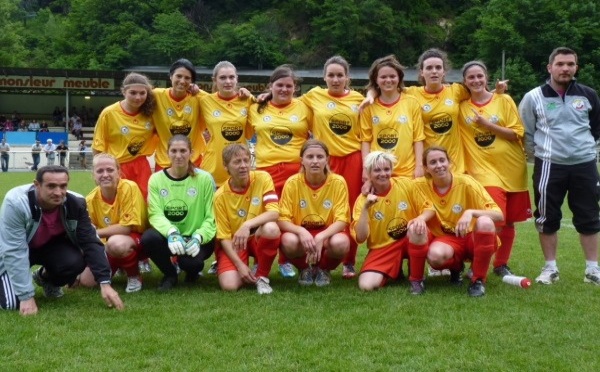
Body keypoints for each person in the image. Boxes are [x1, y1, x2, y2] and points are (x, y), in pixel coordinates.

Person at [519, 46, 600, 285]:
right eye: (560, 64)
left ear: (576, 67)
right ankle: (550, 268)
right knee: (547, 216)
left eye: (570, 64)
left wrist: (588, 153)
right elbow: (526, 133)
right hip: (549, 167)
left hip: (584, 166)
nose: (565, 69)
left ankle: (593, 270)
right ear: (549, 67)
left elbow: (596, 129)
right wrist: (541, 156)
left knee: (589, 216)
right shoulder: (534, 97)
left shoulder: (588, 95)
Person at [0, 166, 124, 315]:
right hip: (14, 250)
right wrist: (26, 295)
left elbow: (90, 241)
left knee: (74, 260)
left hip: (49, 248)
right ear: (37, 185)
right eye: (51, 186)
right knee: (11, 304)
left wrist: (105, 282)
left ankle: (45, 279)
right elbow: (14, 250)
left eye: (63, 186)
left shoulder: (76, 202)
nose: (58, 192)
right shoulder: (16, 202)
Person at [458, 61, 532, 277]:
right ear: (464, 81)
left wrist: (486, 124)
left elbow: (516, 134)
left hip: (513, 168)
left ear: (486, 77)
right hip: (483, 171)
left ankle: (501, 264)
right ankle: (477, 265)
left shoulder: (503, 99)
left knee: (508, 222)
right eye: (471, 77)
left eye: (479, 76)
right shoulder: (462, 107)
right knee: (491, 220)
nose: (476, 80)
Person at [300, 55, 365, 279]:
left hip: (352, 158)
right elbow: (286, 99)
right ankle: (313, 255)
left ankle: (349, 261)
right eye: (331, 75)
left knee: (351, 208)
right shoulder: (313, 96)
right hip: (325, 160)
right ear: (324, 77)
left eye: (340, 75)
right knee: (323, 207)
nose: (335, 79)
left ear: (347, 77)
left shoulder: (359, 99)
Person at [247, 64, 312, 279]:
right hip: (266, 172)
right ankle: (259, 261)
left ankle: (287, 261)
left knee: (292, 216)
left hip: (295, 173)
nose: (284, 89)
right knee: (264, 218)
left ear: (295, 88)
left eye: (289, 86)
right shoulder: (256, 107)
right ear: (270, 86)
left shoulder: (305, 106)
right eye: (279, 85)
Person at [413, 146, 503, 297]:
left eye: (442, 160)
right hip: (447, 240)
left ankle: (478, 281)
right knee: (434, 256)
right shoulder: (419, 185)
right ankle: (456, 267)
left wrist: (471, 212)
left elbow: (499, 215)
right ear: (426, 168)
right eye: (433, 162)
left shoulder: (466, 182)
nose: (439, 165)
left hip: (472, 237)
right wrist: (370, 182)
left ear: (449, 162)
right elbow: (394, 184)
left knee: (485, 222)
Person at [141, 135, 216, 291]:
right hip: (171, 237)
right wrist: (172, 233)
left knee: (191, 263)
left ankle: (192, 272)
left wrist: (198, 236)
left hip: (196, 238)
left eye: (183, 151)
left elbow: (211, 216)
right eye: (173, 151)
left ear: (191, 153)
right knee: (148, 238)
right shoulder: (156, 179)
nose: (178, 155)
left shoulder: (205, 179)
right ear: (167, 153)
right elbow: (155, 214)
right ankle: (170, 274)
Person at [352, 151, 432, 294]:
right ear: (369, 174)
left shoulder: (405, 184)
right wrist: (365, 209)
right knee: (366, 286)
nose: (383, 173)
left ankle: (416, 280)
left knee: (417, 229)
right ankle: (395, 269)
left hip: (409, 238)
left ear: (391, 170)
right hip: (384, 247)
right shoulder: (362, 200)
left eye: (386, 169)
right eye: (377, 170)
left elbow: (429, 209)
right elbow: (361, 237)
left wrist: (420, 219)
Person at [278, 139, 351, 287]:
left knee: (341, 243)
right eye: (310, 157)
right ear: (302, 161)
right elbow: (281, 219)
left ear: (327, 160)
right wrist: (300, 231)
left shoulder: (338, 182)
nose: (315, 161)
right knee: (288, 241)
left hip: (327, 235)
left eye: (320, 157)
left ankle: (324, 270)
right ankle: (305, 269)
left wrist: (322, 236)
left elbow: (342, 220)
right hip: (302, 236)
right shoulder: (292, 183)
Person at [213, 144, 281, 294]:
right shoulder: (219, 196)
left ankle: (262, 276)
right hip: (235, 243)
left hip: (257, 236)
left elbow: (274, 212)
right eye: (237, 162)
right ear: (226, 166)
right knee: (229, 286)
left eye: (246, 160)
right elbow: (224, 238)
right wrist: (240, 266)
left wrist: (247, 225)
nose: (243, 166)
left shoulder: (263, 178)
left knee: (271, 228)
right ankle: (237, 266)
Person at [80, 154, 148, 293]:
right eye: (99, 171)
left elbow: (126, 228)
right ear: (93, 175)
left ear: (119, 172)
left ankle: (134, 275)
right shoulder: (90, 199)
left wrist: (93, 233)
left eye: (110, 170)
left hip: (140, 240)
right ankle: (120, 264)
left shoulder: (129, 187)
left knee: (116, 243)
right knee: (87, 282)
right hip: (108, 244)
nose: (105, 175)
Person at [93, 72, 157, 199]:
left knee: (145, 202)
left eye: (142, 93)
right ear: (124, 92)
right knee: (119, 201)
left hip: (141, 166)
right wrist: (100, 170)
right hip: (118, 166)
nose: (138, 97)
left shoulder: (151, 113)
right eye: (133, 93)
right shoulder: (109, 113)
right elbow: (98, 146)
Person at [360, 55, 425, 179]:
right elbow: (366, 140)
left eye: (392, 76)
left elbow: (418, 138)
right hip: (379, 172)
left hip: (407, 172)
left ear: (399, 78)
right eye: (383, 77)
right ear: (376, 80)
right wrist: (365, 168)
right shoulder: (368, 105)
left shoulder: (412, 102)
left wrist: (419, 167)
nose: (388, 80)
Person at [199, 61, 254, 187]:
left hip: (239, 167)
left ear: (237, 79)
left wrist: (249, 94)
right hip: (213, 167)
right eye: (222, 77)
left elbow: (251, 133)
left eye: (231, 77)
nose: (228, 81)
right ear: (214, 80)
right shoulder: (205, 100)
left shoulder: (248, 100)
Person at [152, 59, 208, 171]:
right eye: (179, 76)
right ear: (171, 76)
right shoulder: (156, 95)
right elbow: (135, 95)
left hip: (193, 160)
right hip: (165, 161)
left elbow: (220, 101)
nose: (182, 81)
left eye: (187, 78)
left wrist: (246, 94)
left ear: (192, 81)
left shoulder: (199, 97)